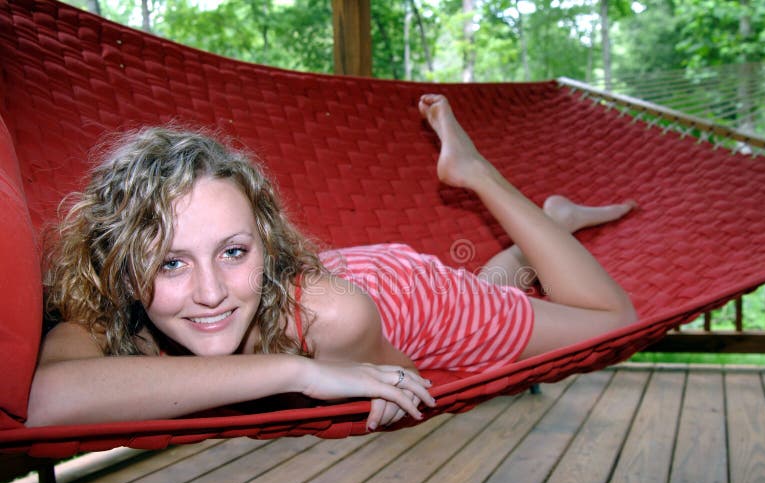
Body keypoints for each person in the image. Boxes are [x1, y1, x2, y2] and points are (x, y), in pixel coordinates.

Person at [27, 94, 637, 430]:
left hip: (405, 306)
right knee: (489, 287)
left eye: (233, 252)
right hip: (358, 278)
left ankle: (477, 174)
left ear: (266, 243)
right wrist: (297, 374)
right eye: (169, 265)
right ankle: (549, 227)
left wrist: (315, 362)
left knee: (605, 317)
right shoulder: (106, 308)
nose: (210, 292)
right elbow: (50, 400)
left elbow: (408, 379)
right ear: (120, 266)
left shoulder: (328, 317)